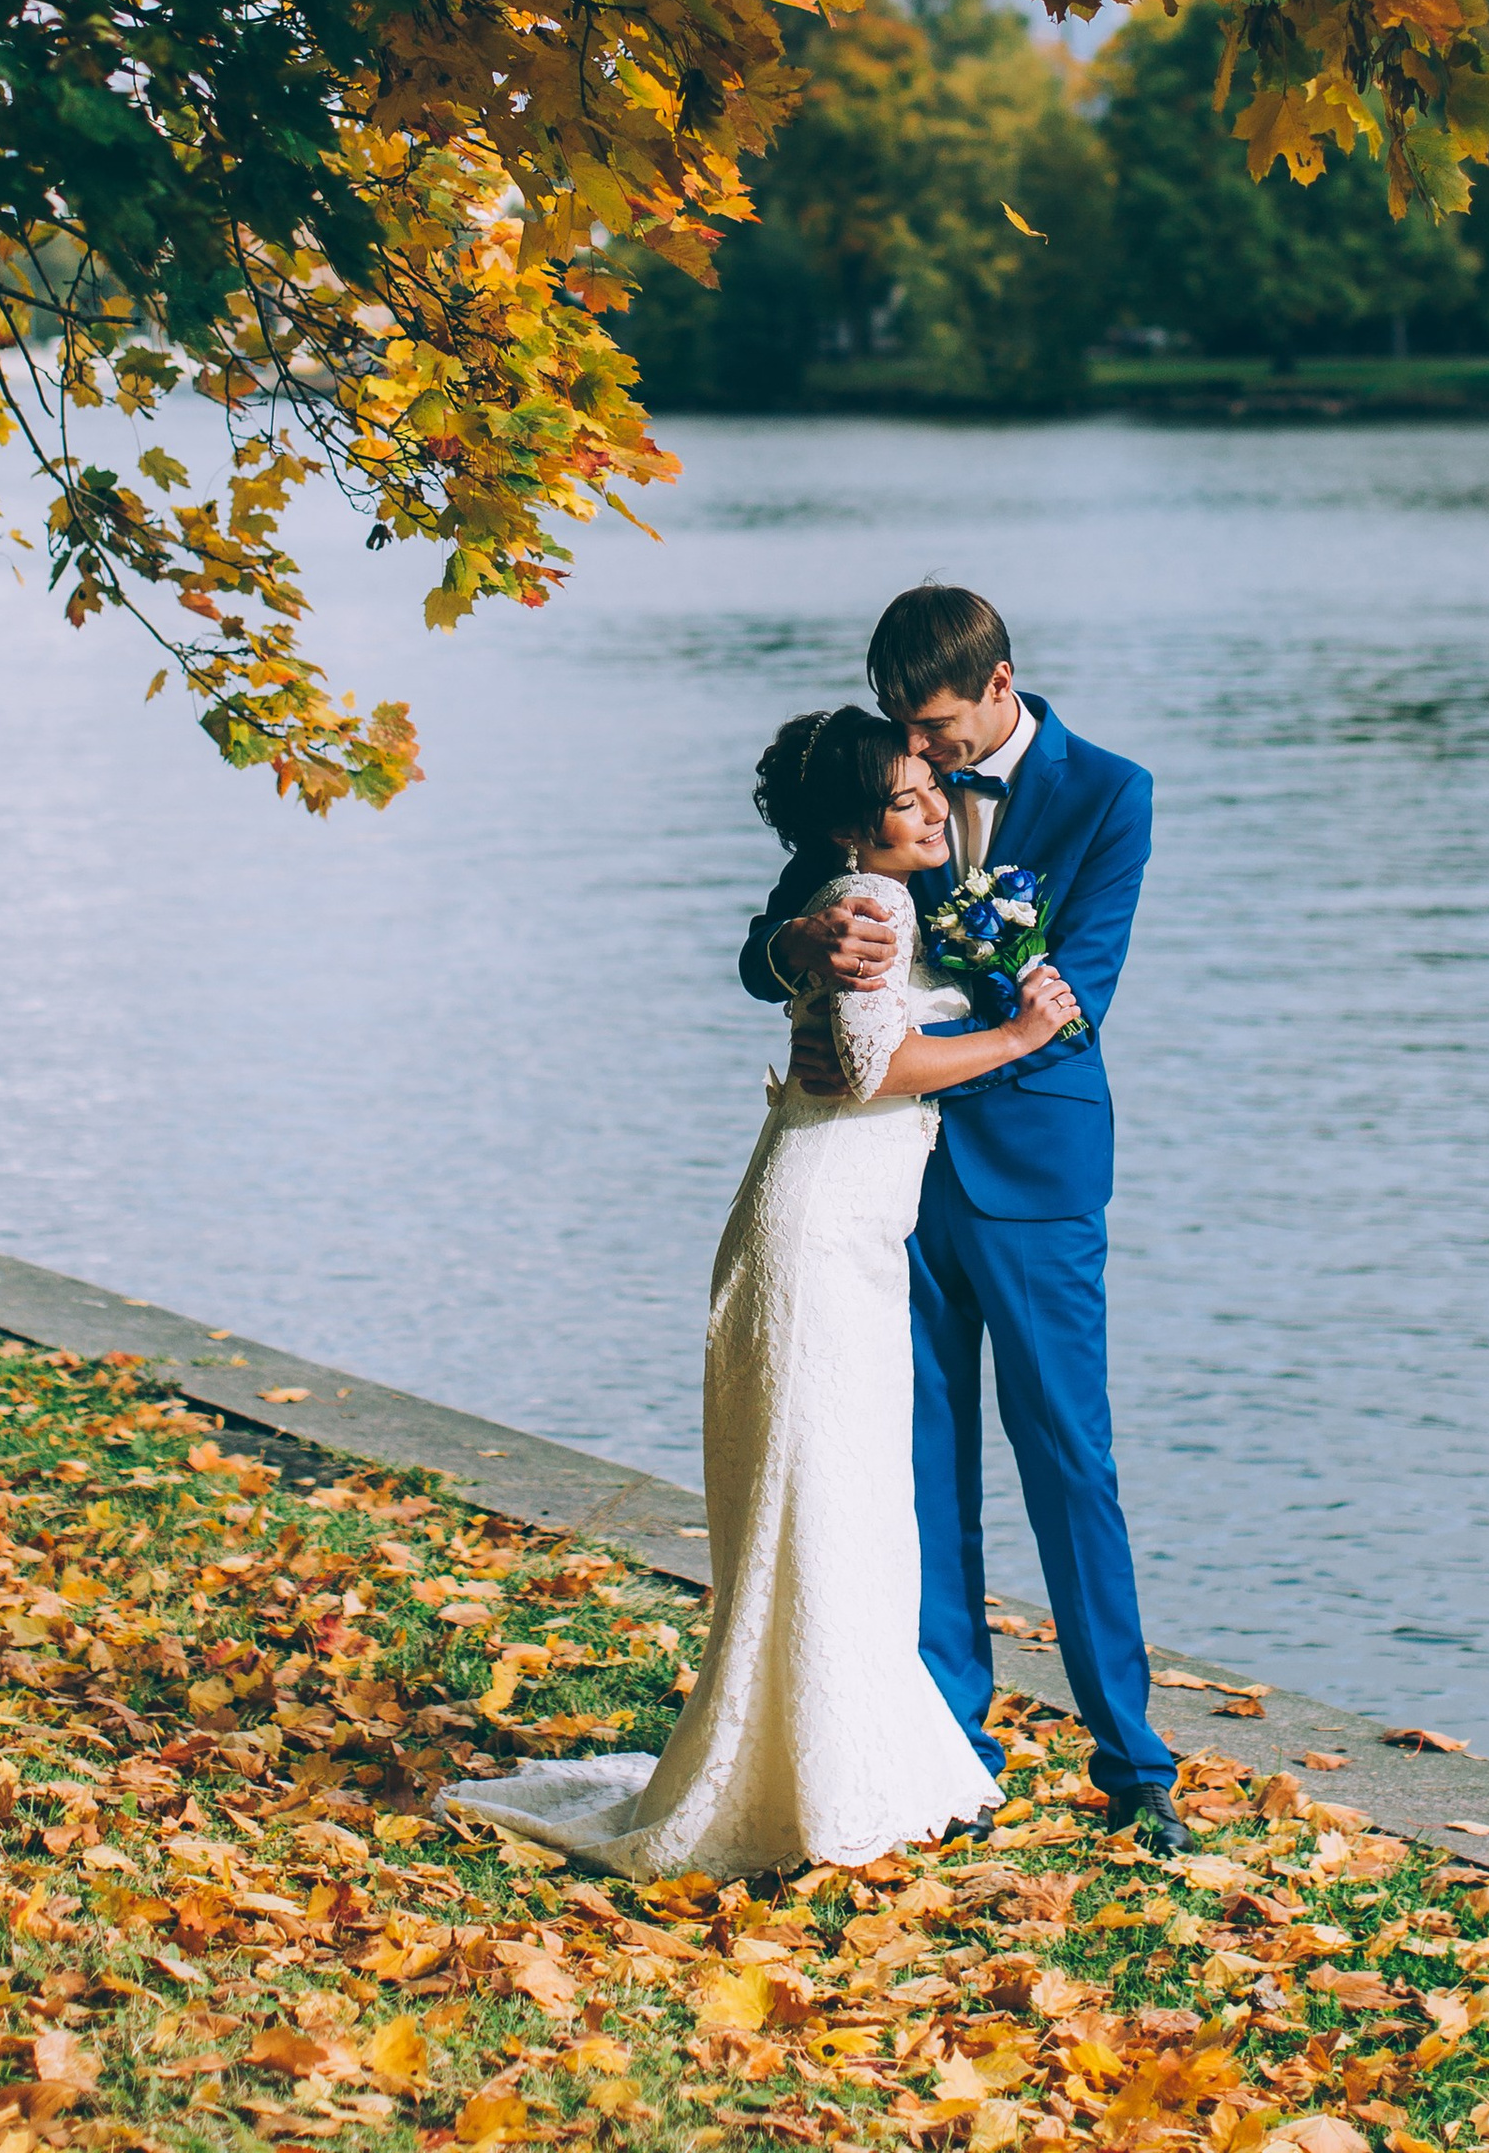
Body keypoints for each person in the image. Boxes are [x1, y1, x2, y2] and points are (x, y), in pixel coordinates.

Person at [446, 704, 1081, 1876]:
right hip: (820, 1227)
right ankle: (821, 1778)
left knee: (838, 1499)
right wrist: (1021, 1036)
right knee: (825, 1492)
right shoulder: (869, 899)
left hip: (838, 1221)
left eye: (931, 787)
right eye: (908, 796)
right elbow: (865, 1066)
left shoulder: (888, 871)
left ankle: (834, 1760)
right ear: (852, 827)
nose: (934, 803)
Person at [739, 584, 1190, 1854]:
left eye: (934, 727)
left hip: (1033, 1168)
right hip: (887, 1173)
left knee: (1068, 1457)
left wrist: (915, 997)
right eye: (900, 728)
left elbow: (1076, 993)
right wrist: (810, 948)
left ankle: (1132, 1761)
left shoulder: (1111, 793)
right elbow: (765, 935)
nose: (918, 753)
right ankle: (949, 1748)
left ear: (1000, 687)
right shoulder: (883, 777)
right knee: (920, 1462)